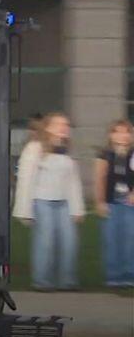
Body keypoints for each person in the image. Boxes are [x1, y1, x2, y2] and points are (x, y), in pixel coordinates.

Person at [12, 112, 85, 291]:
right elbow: (25, 179)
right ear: (47, 127)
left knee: (69, 242)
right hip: (42, 201)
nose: (63, 128)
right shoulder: (35, 148)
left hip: (64, 203)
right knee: (45, 241)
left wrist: (78, 209)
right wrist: (24, 210)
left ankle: (67, 281)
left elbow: (73, 182)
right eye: (59, 124)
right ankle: (42, 281)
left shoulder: (67, 150)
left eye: (66, 125)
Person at [93, 119, 134, 287]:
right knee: (111, 240)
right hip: (111, 202)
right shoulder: (105, 155)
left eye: (127, 132)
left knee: (130, 240)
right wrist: (100, 202)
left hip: (129, 204)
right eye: (118, 131)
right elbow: (99, 179)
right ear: (111, 135)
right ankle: (113, 276)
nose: (123, 135)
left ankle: (129, 275)